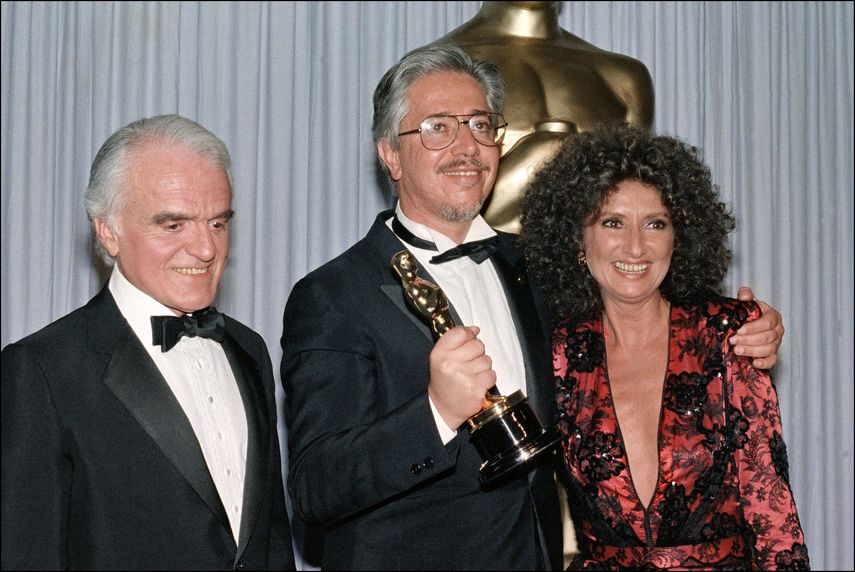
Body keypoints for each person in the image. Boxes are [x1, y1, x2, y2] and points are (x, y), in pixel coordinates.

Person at [280, 45, 783, 570]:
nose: (466, 146)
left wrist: (748, 328)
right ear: (389, 153)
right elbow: (317, 488)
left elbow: (639, 297)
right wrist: (436, 412)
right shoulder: (334, 295)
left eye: (480, 124)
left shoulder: (538, 266)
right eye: (437, 128)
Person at [1, 114, 295, 570]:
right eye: (173, 225)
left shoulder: (248, 349)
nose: (205, 249)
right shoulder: (42, 370)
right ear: (108, 232)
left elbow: (271, 540)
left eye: (218, 223)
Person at [520, 122, 809, 570]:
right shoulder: (554, 353)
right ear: (578, 239)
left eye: (656, 223)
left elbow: (772, 515)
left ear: (680, 238)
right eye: (612, 222)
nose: (636, 247)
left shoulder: (727, 334)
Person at [432, 1, 655, 234]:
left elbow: (632, 202)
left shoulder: (625, 78)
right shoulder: (436, 70)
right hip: (475, 263)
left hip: (587, 266)